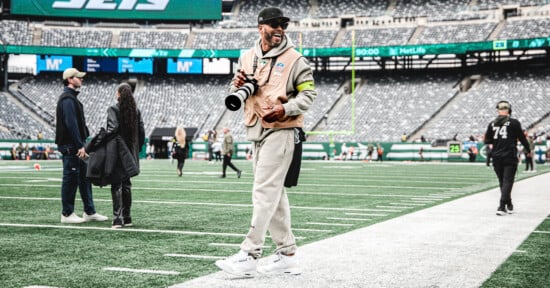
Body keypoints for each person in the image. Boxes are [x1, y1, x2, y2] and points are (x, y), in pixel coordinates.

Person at [215, 7, 316, 277]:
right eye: (274, 24)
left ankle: (250, 254)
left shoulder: (297, 60)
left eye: (283, 24)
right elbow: (240, 92)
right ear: (261, 28)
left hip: (283, 129)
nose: (280, 28)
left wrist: (286, 109)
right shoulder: (246, 57)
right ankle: (287, 254)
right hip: (256, 129)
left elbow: (309, 96)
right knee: (275, 194)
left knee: (263, 192)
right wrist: (235, 85)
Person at [55, 68, 107, 224]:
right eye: (78, 78)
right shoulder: (67, 100)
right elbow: (71, 125)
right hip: (72, 146)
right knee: (70, 178)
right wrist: (80, 146)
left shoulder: (71, 98)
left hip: (76, 145)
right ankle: (67, 213)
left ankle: (89, 211)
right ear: (70, 79)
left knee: (85, 179)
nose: (82, 79)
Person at [88, 83, 145, 228]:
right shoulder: (135, 111)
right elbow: (142, 132)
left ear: (119, 94)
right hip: (131, 152)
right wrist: (136, 149)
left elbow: (112, 129)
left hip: (118, 151)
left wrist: (96, 143)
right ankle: (127, 217)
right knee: (126, 184)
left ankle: (117, 218)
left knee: (116, 184)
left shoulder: (113, 109)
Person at [484, 101, 530, 216]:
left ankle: (508, 205)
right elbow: (522, 138)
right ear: (509, 110)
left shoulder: (492, 123)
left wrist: (495, 145)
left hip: (497, 156)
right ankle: (501, 206)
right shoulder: (514, 123)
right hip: (509, 155)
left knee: (503, 182)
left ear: (498, 110)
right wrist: (528, 150)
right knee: (508, 181)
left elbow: (487, 140)